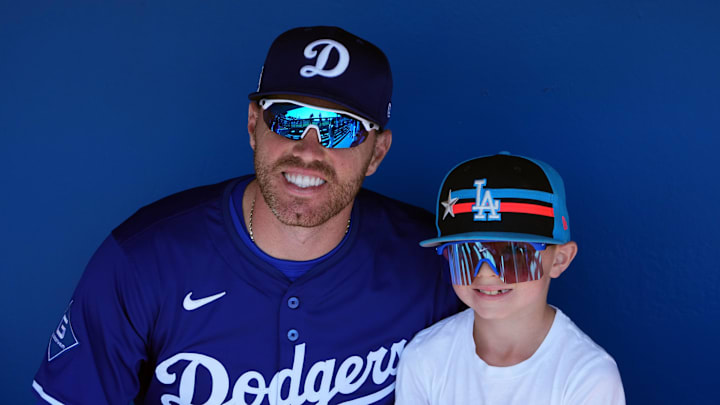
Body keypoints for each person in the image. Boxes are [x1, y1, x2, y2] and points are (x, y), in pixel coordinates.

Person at [32, 26, 459, 405]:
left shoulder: (431, 261)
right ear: (255, 125)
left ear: (376, 152)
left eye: (341, 128)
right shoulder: (143, 260)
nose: (309, 151)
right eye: (289, 119)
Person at [395, 152, 625, 404]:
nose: (485, 272)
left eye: (515, 253)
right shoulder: (425, 356)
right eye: (466, 253)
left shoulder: (587, 375)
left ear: (559, 260)